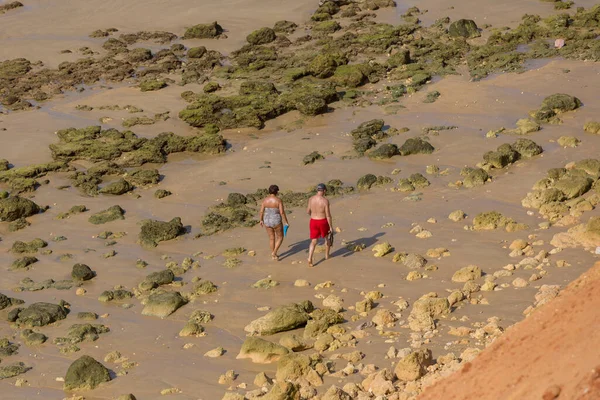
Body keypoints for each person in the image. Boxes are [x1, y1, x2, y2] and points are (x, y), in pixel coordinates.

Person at [259, 185, 289, 261]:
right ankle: (274, 252)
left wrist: (261, 220)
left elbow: (261, 211)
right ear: (277, 191)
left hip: (267, 220)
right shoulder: (278, 200)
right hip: (276, 220)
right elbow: (282, 212)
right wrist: (286, 222)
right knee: (280, 237)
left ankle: (273, 255)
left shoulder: (265, 200)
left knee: (271, 238)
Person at [307, 183, 333, 267]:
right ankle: (326, 255)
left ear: (317, 190)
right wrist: (331, 226)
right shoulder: (325, 201)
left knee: (313, 241)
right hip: (322, 221)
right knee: (327, 237)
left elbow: (308, 211)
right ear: (324, 191)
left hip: (313, 221)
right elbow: (328, 215)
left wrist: (313, 214)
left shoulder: (311, 199)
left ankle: (310, 257)